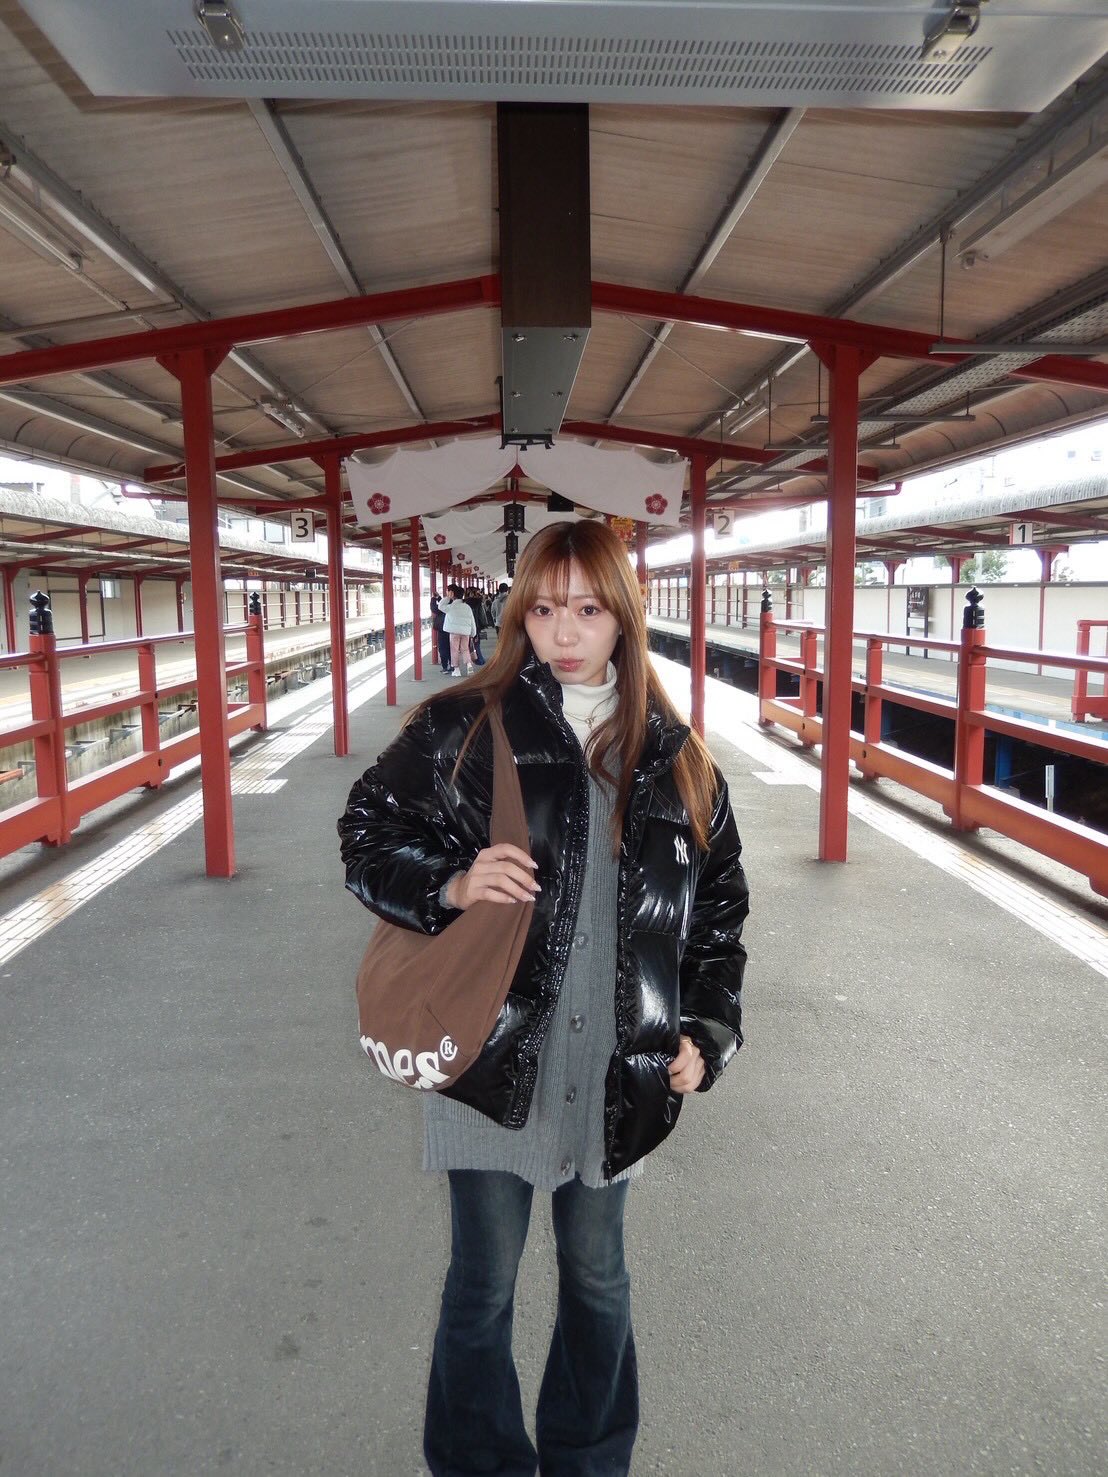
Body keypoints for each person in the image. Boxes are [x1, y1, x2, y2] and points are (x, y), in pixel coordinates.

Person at [338, 520, 748, 1476]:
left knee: (598, 1278)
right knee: (482, 1282)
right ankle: (478, 1459)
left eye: (589, 609)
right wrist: (449, 883)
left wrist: (707, 1028)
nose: (566, 632)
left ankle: (588, 1458)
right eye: (545, 609)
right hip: (494, 1054)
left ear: (625, 620)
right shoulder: (463, 727)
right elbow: (366, 829)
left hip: (614, 1066)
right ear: (519, 615)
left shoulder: (678, 759)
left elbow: (718, 911)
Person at [441, 582, 478, 676]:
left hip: (454, 632)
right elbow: (472, 621)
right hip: (465, 632)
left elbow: (440, 606)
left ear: (453, 594)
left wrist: (448, 597)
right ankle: (469, 664)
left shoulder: (450, 607)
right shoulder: (467, 607)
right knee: (465, 649)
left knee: (454, 650)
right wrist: (473, 633)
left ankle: (456, 670)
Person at [430, 592, 452, 673]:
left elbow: (433, 608)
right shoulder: (452, 606)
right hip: (451, 630)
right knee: (451, 648)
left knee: (443, 649)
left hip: (442, 630)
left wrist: (433, 598)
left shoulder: (441, 608)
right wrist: (439, 597)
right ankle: (452, 665)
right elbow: (443, 603)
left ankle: (445, 667)